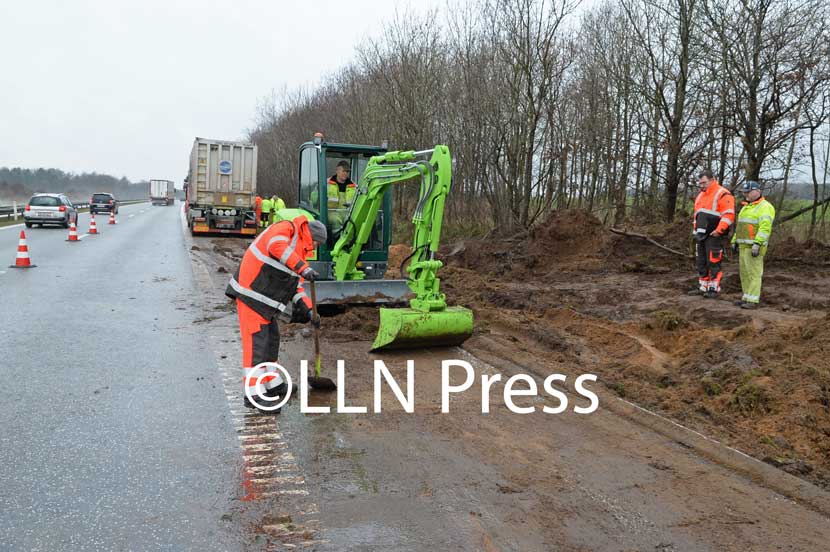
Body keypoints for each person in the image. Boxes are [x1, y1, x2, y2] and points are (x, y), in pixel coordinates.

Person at [225, 215, 327, 412]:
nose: (315, 247)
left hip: (266, 302)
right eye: (316, 242)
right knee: (257, 346)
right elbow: (275, 246)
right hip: (251, 295)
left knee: (271, 342)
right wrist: (303, 269)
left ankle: (273, 384)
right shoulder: (286, 229)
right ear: (310, 235)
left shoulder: (298, 253)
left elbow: (296, 288)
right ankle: (254, 394)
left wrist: (310, 311)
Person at [690, 169, 735, 298]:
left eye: (704, 183)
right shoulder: (700, 195)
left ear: (712, 180)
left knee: (713, 261)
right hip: (701, 235)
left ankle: (714, 288)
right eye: (700, 183)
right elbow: (696, 217)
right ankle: (703, 286)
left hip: (714, 234)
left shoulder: (722, 194)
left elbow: (728, 215)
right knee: (701, 261)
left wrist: (719, 230)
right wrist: (695, 232)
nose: (701, 185)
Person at [731, 181, 775, 309]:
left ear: (757, 191)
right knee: (744, 273)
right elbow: (741, 227)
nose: (745, 195)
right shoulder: (746, 207)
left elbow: (765, 228)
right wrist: (735, 240)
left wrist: (758, 243)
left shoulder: (765, 207)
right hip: (744, 246)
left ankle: (753, 300)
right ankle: (747, 297)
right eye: (744, 192)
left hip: (754, 247)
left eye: (748, 192)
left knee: (754, 273)